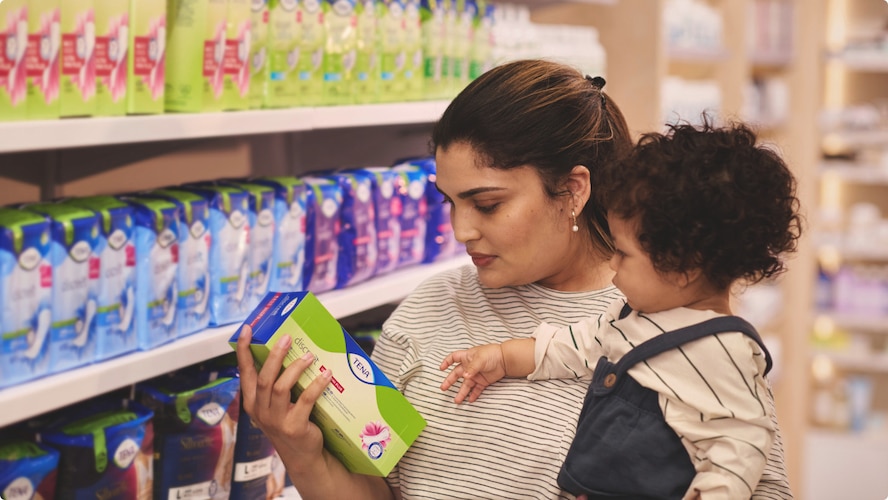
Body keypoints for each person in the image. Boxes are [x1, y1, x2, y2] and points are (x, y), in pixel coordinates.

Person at [234, 59, 791, 499]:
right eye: (450, 203)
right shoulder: (431, 308)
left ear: (573, 190)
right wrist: (301, 447)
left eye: (487, 203)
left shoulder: (678, 327)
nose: (460, 230)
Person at [439, 118, 802, 499]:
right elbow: (572, 346)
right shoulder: (631, 316)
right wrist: (502, 357)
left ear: (682, 268)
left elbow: (742, 444)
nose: (612, 264)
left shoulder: (724, 352)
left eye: (623, 254)